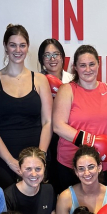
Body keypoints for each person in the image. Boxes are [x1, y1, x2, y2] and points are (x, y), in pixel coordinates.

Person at [0, 24, 53, 189]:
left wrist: (38, 159)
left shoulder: (40, 80)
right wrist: (10, 161)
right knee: (9, 212)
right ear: (5, 47)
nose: (17, 50)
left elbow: (48, 121)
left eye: (22, 45)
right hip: (3, 161)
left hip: (36, 160)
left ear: (27, 47)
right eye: (13, 45)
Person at [53, 44, 107, 188]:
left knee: (102, 208)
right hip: (73, 164)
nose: (88, 69)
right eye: (83, 65)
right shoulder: (67, 90)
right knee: (73, 208)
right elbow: (58, 126)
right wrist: (92, 141)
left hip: (104, 164)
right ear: (75, 67)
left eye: (91, 64)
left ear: (98, 64)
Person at [38, 38, 73, 194]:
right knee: (49, 185)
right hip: (45, 138)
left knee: (68, 185)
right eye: (47, 55)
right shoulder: (35, 81)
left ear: (62, 56)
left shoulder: (73, 81)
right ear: (41, 59)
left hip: (68, 138)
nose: (52, 59)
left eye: (56, 54)